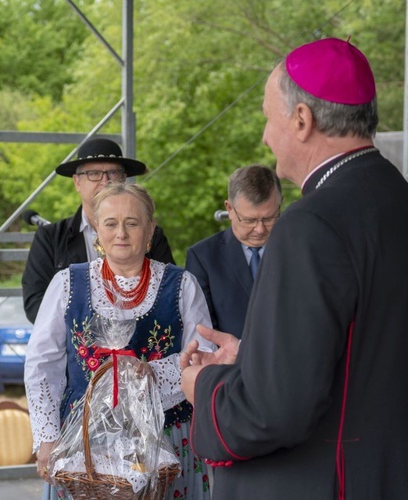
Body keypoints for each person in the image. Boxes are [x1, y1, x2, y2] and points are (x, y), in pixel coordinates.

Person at [180, 38, 408, 499]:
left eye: (269, 116)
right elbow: (360, 357)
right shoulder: (396, 198)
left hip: (326, 480)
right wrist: (254, 356)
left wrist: (203, 384)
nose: (266, 135)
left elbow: (272, 411)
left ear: (301, 119)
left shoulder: (312, 223)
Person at [25, 183, 214, 500]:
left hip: (165, 443)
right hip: (82, 441)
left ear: (150, 229)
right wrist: (46, 437)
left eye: (132, 222)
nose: (121, 233)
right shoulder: (67, 283)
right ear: (97, 229)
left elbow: (203, 356)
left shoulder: (181, 285)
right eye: (110, 223)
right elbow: (42, 365)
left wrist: (151, 373)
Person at [22, 137, 174, 324]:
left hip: (140, 343)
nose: (105, 181)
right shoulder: (50, 238)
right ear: (77, 182)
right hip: (73, 348)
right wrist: (93, 332)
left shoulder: (150, 233)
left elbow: (169, 291)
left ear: (124, 180)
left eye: (113, 173)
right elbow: (35, 304)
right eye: (94, 174)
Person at [185, 164, 282, 337]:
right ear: (229, 209)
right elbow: (203, 331)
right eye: (249, 220)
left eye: (268, 218)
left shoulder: (298, 250)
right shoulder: (203, 257)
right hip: (230, 362)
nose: (260, 229)